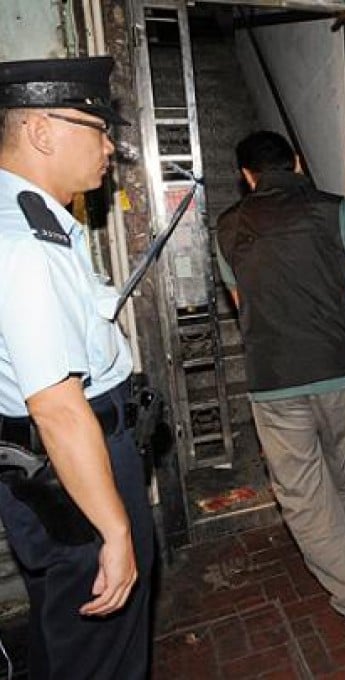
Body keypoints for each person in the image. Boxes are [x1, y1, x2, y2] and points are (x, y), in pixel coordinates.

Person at [216, 130, 345, 637]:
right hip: (338, 370)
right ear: (299, 163)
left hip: (276, 377)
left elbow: (245, 307)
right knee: (338, 465)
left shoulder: (228, 226)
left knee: (304, 494)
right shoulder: (336, 211)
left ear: (247, 176)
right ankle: (342, 550)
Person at [0, 57, 153, 678]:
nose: (109, 146)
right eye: (96, 128)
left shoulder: (43, 227)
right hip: (75, 466)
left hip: (57, 470)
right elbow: (57, 407)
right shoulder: (23, 244)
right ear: (42, 131)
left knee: (66, 636)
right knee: (102, 654)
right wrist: (114, 532)